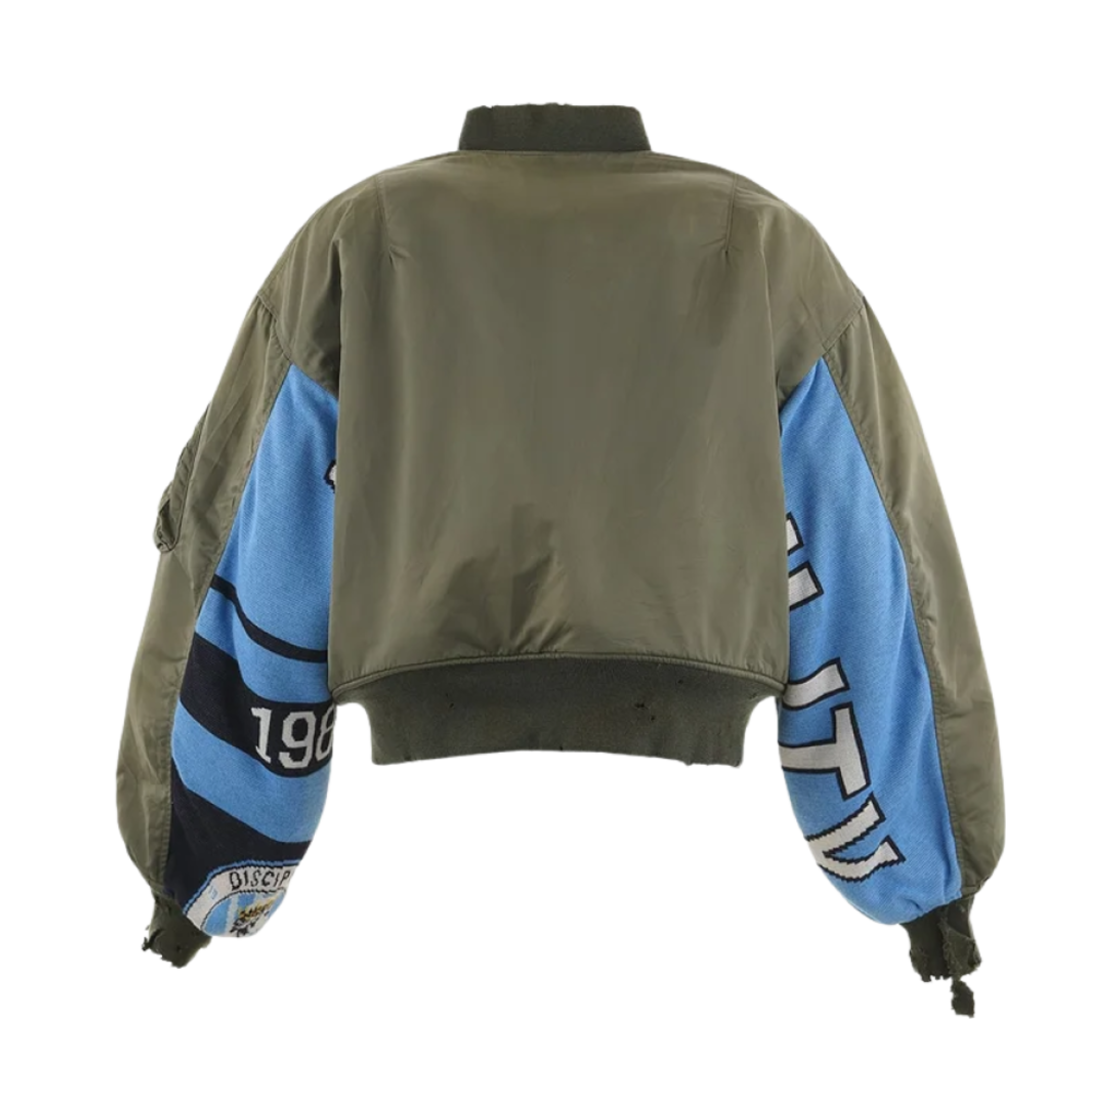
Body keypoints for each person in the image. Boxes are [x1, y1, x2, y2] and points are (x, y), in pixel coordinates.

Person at [115, 101, 1004, 1016]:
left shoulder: (358, 230)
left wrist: (201, 873)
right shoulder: (764, 238)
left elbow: (244, 543)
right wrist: (925, 890)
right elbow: (878, 560)